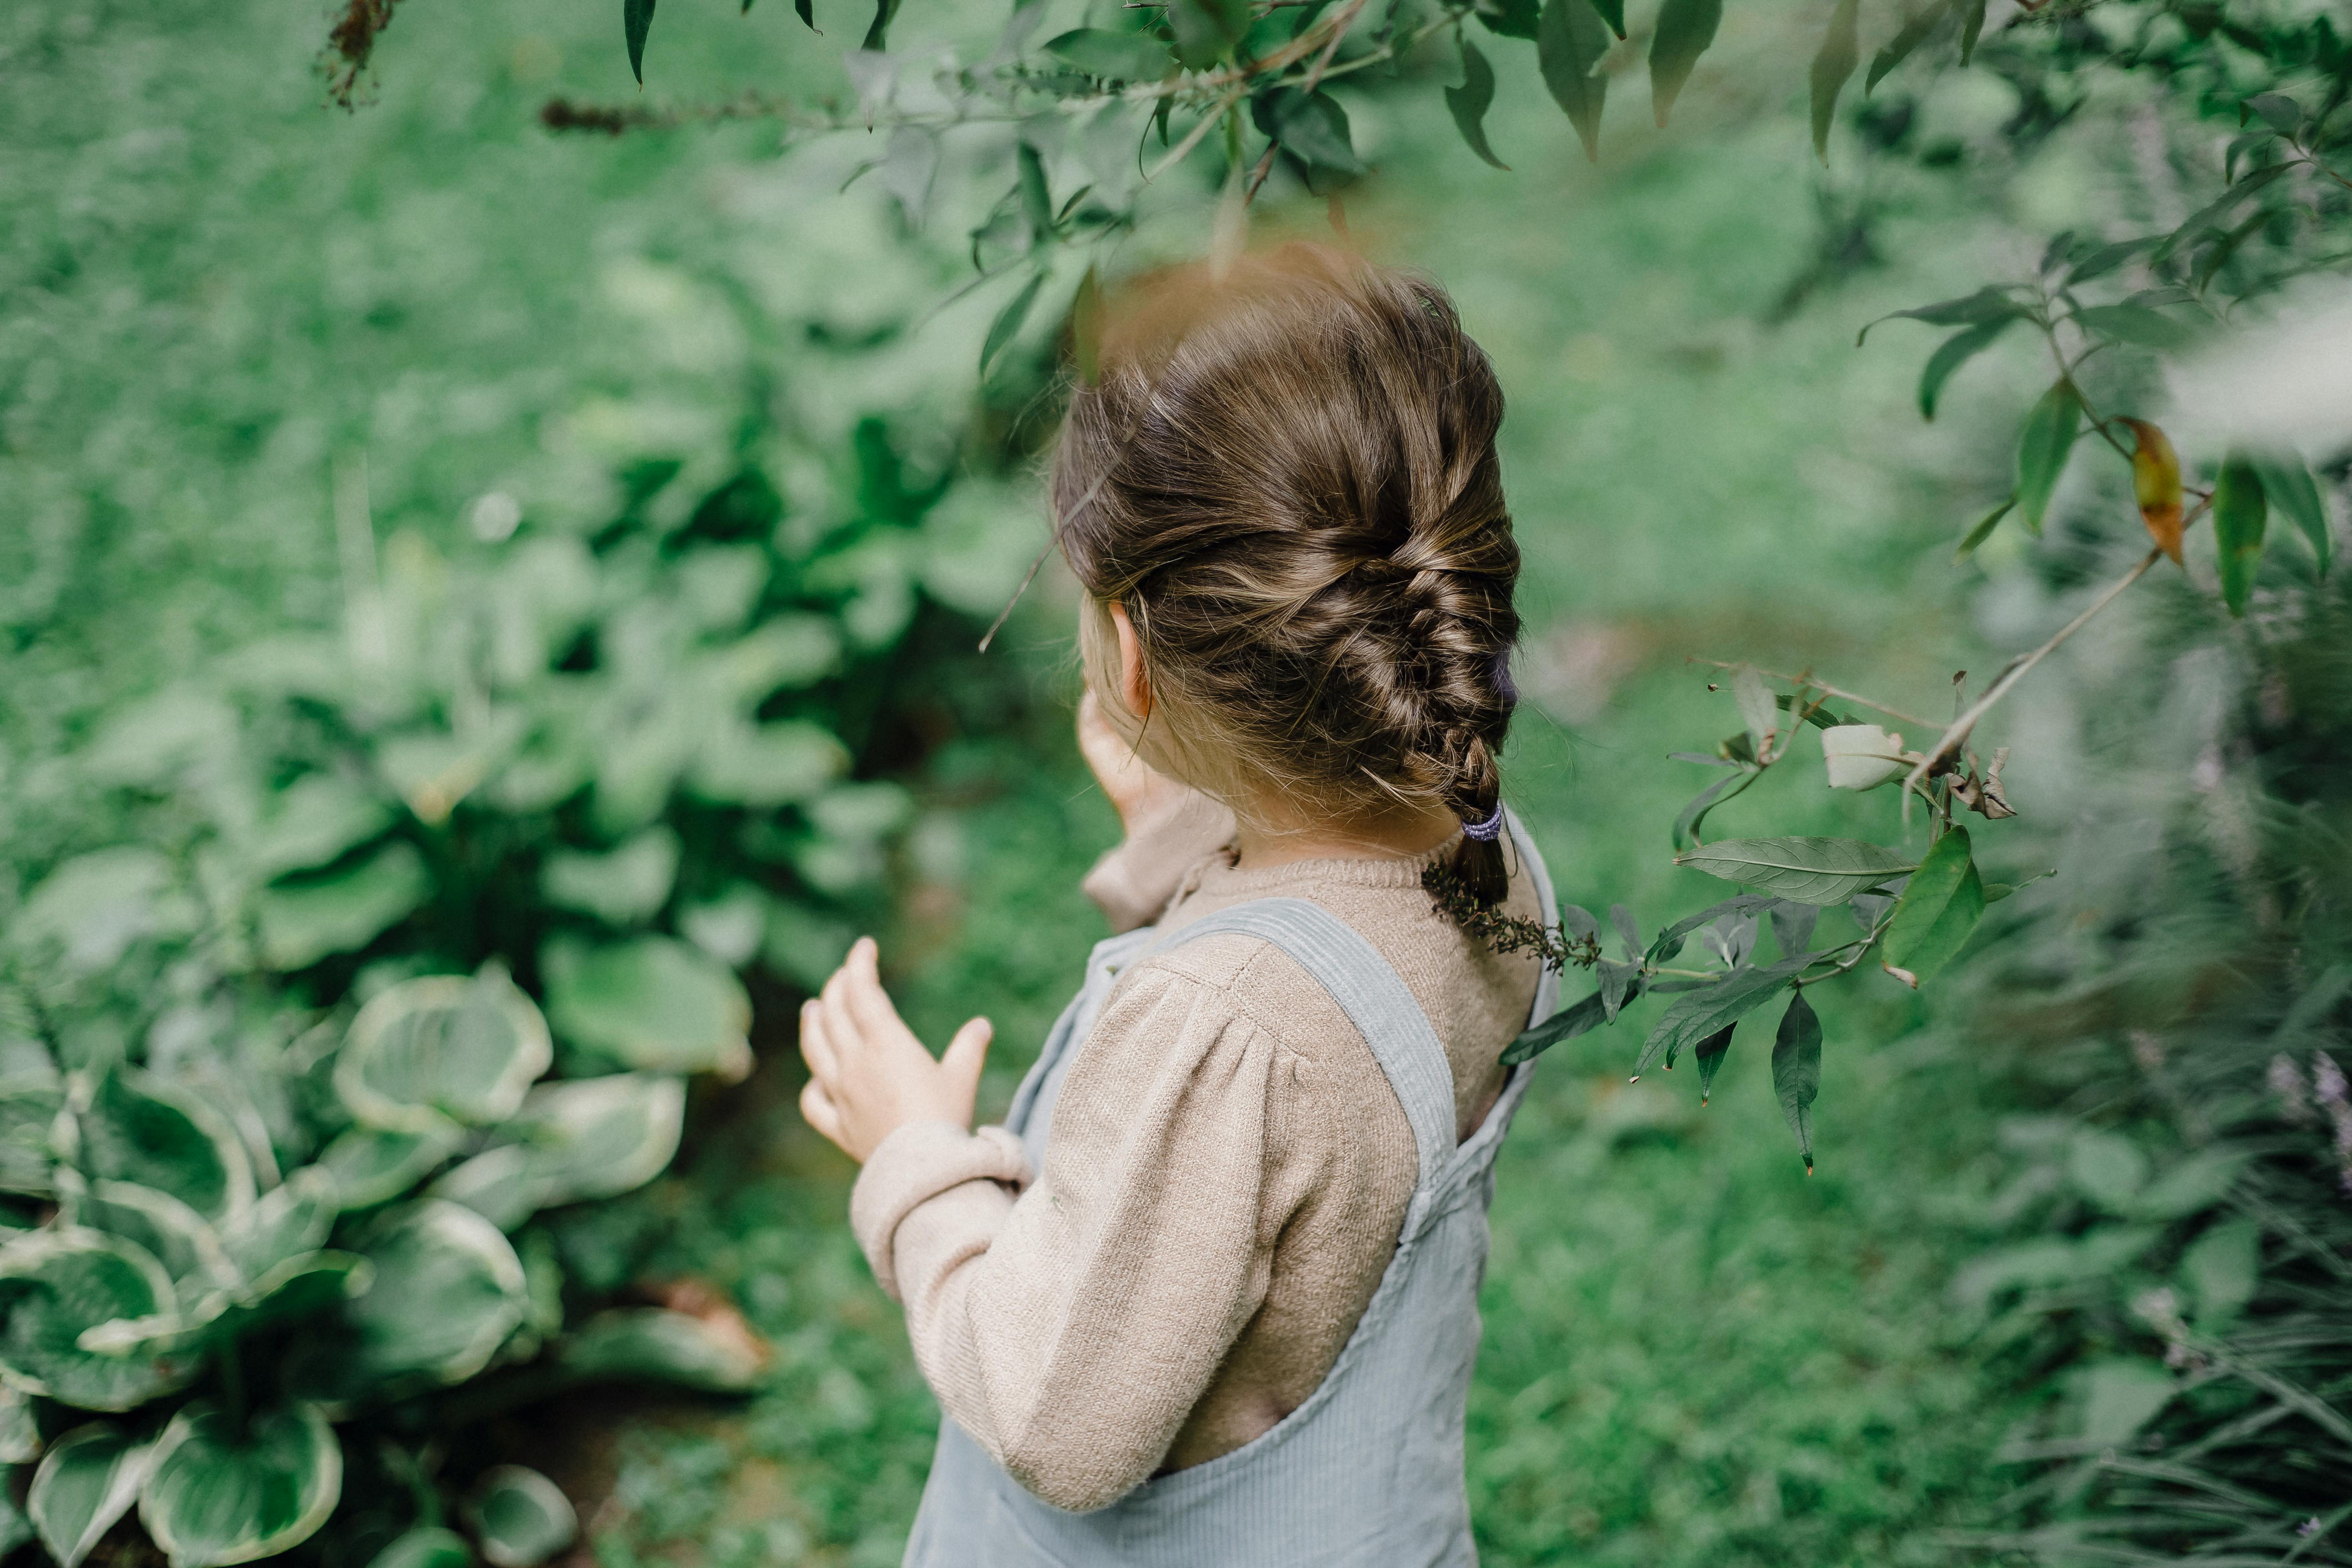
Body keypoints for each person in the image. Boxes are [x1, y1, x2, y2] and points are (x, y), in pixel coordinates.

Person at [796, 242, 1562, 1567]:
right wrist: (1180, 841)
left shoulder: (1225, 1035)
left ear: (1133, 661)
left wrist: (918, 1159)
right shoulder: (1486, 851)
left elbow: (1056, 1416)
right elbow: (1337, 1003)